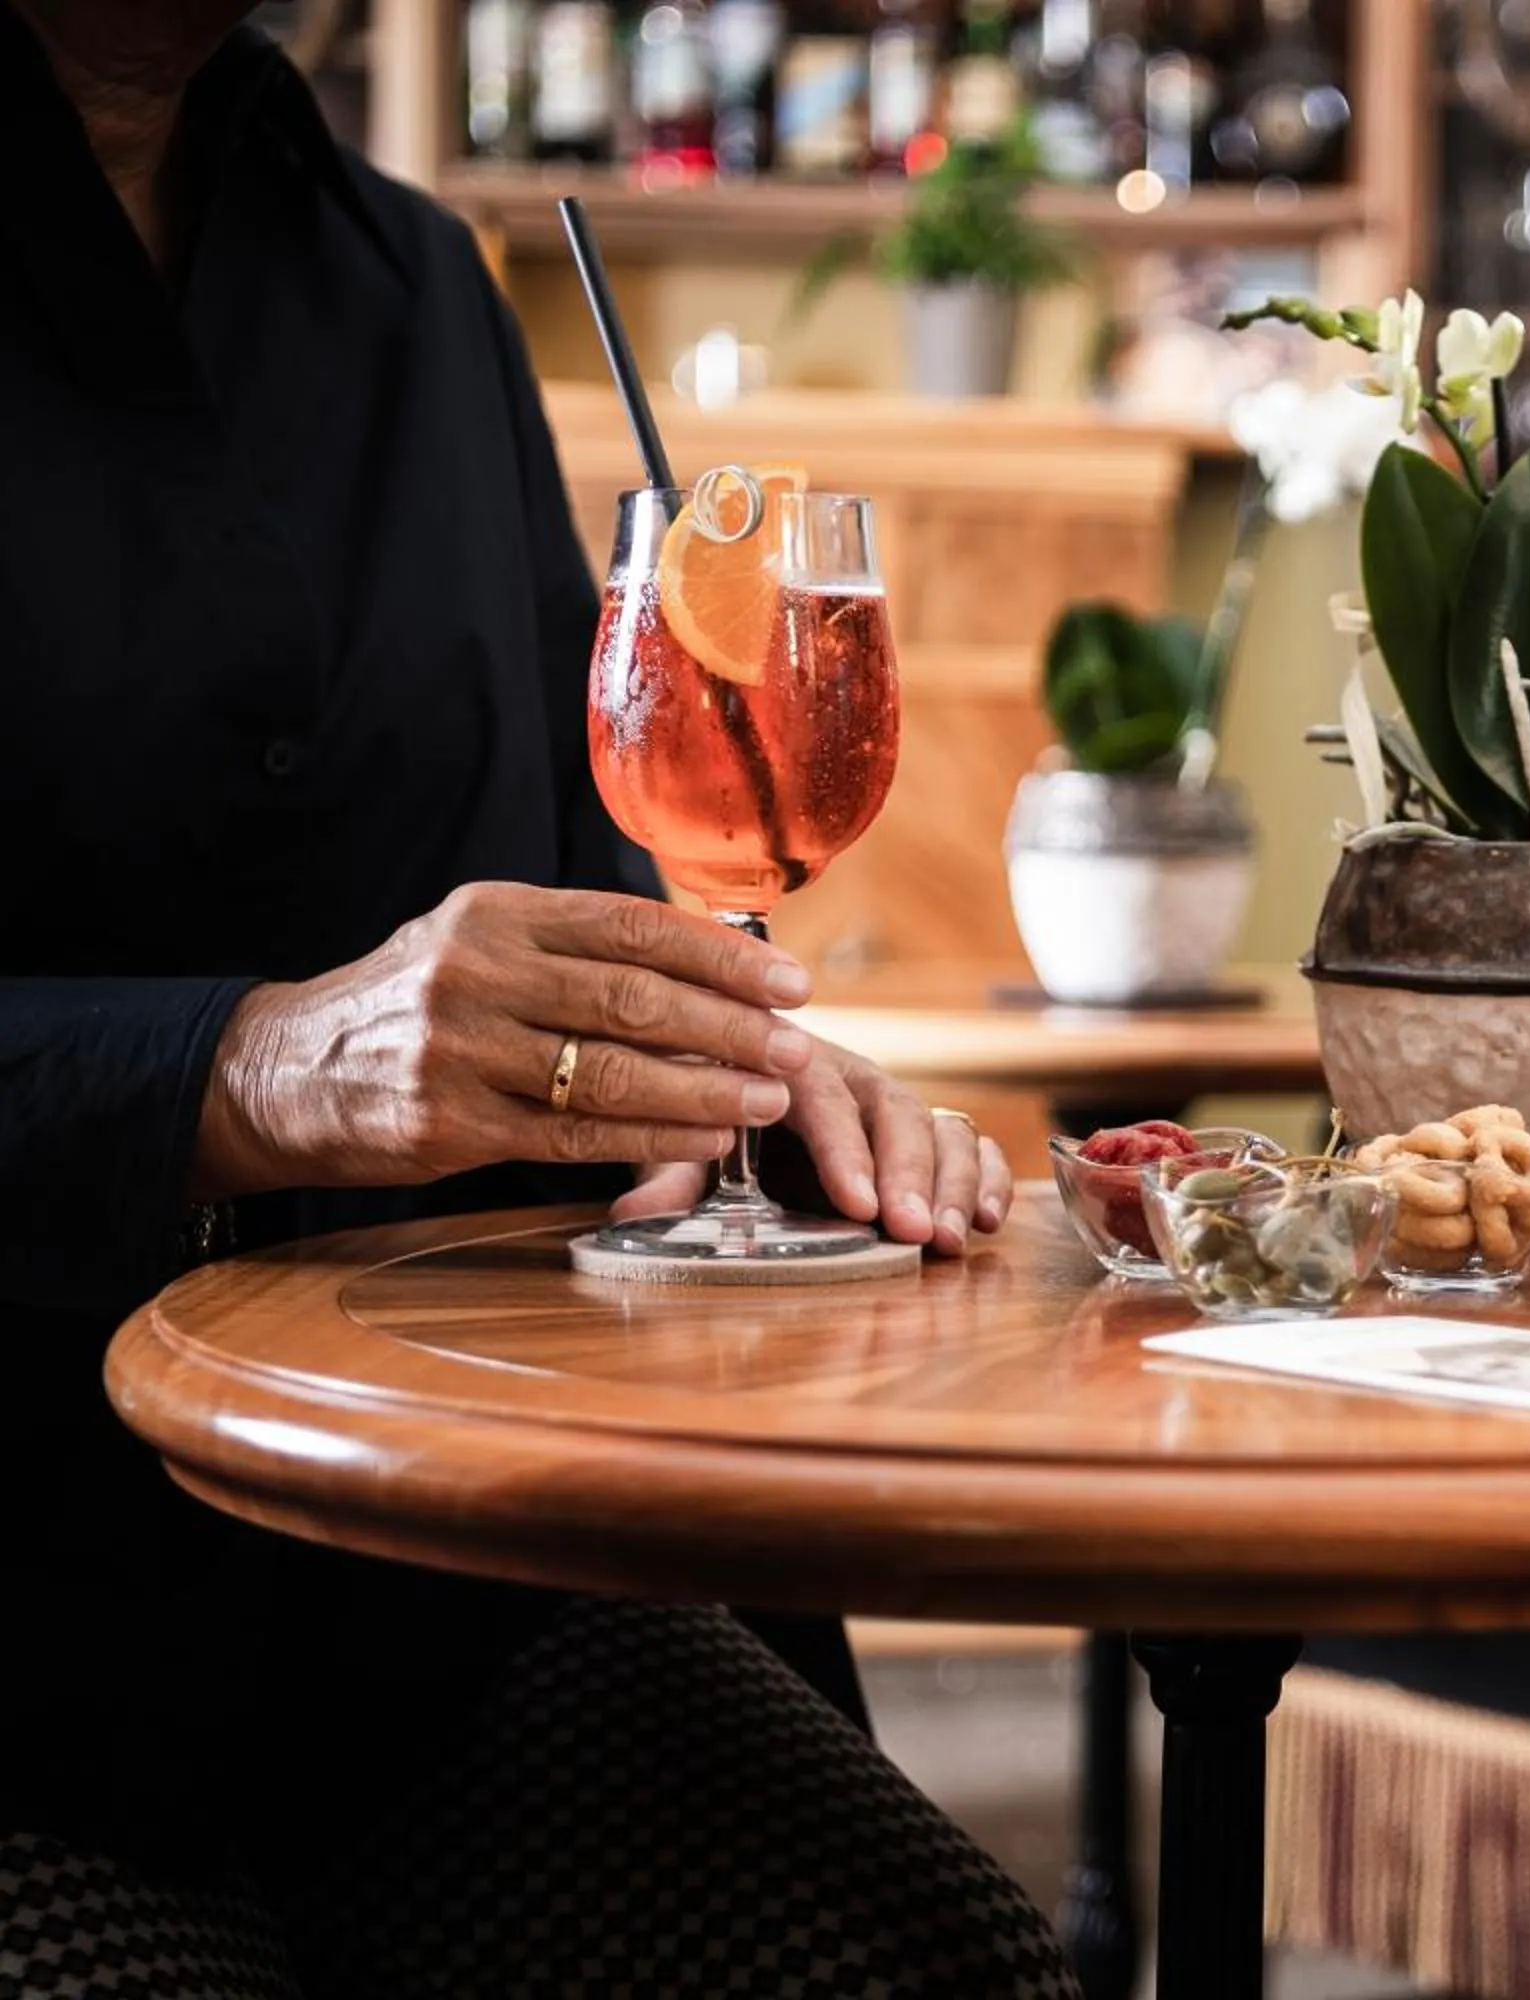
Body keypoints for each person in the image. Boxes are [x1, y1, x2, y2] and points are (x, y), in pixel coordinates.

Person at [0, 4, 1070, 1994]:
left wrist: (723, 1057)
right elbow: (342, 1043)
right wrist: (249, 1067)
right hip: (24, 1651)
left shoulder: (423, 288)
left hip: (436, 1604)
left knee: (933, 1964)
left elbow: (568, 891)